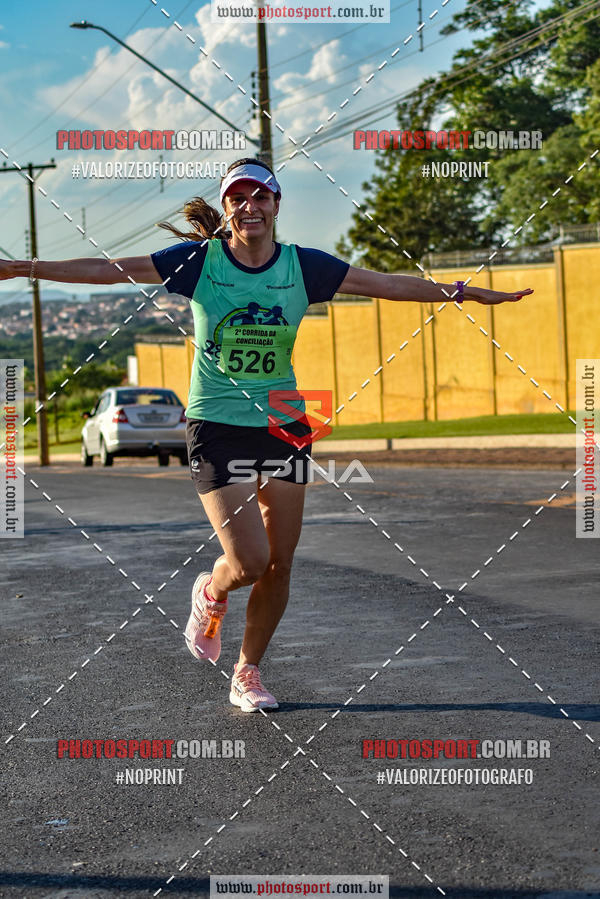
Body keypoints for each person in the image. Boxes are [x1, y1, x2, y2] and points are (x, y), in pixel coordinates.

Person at [0, 157, 533, 713]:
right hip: (217, 424)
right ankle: (210, 592)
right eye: (238, 198)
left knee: (281, 562)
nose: (249, 206)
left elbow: (384, 285)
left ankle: (247, 671)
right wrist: (22, 269)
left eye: (260, 197)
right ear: (227, 209)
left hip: (283, 419)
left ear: (277, 206)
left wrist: (461, 293)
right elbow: (109, 269)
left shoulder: (304, 267)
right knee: (250, 561)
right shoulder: (198, 262)